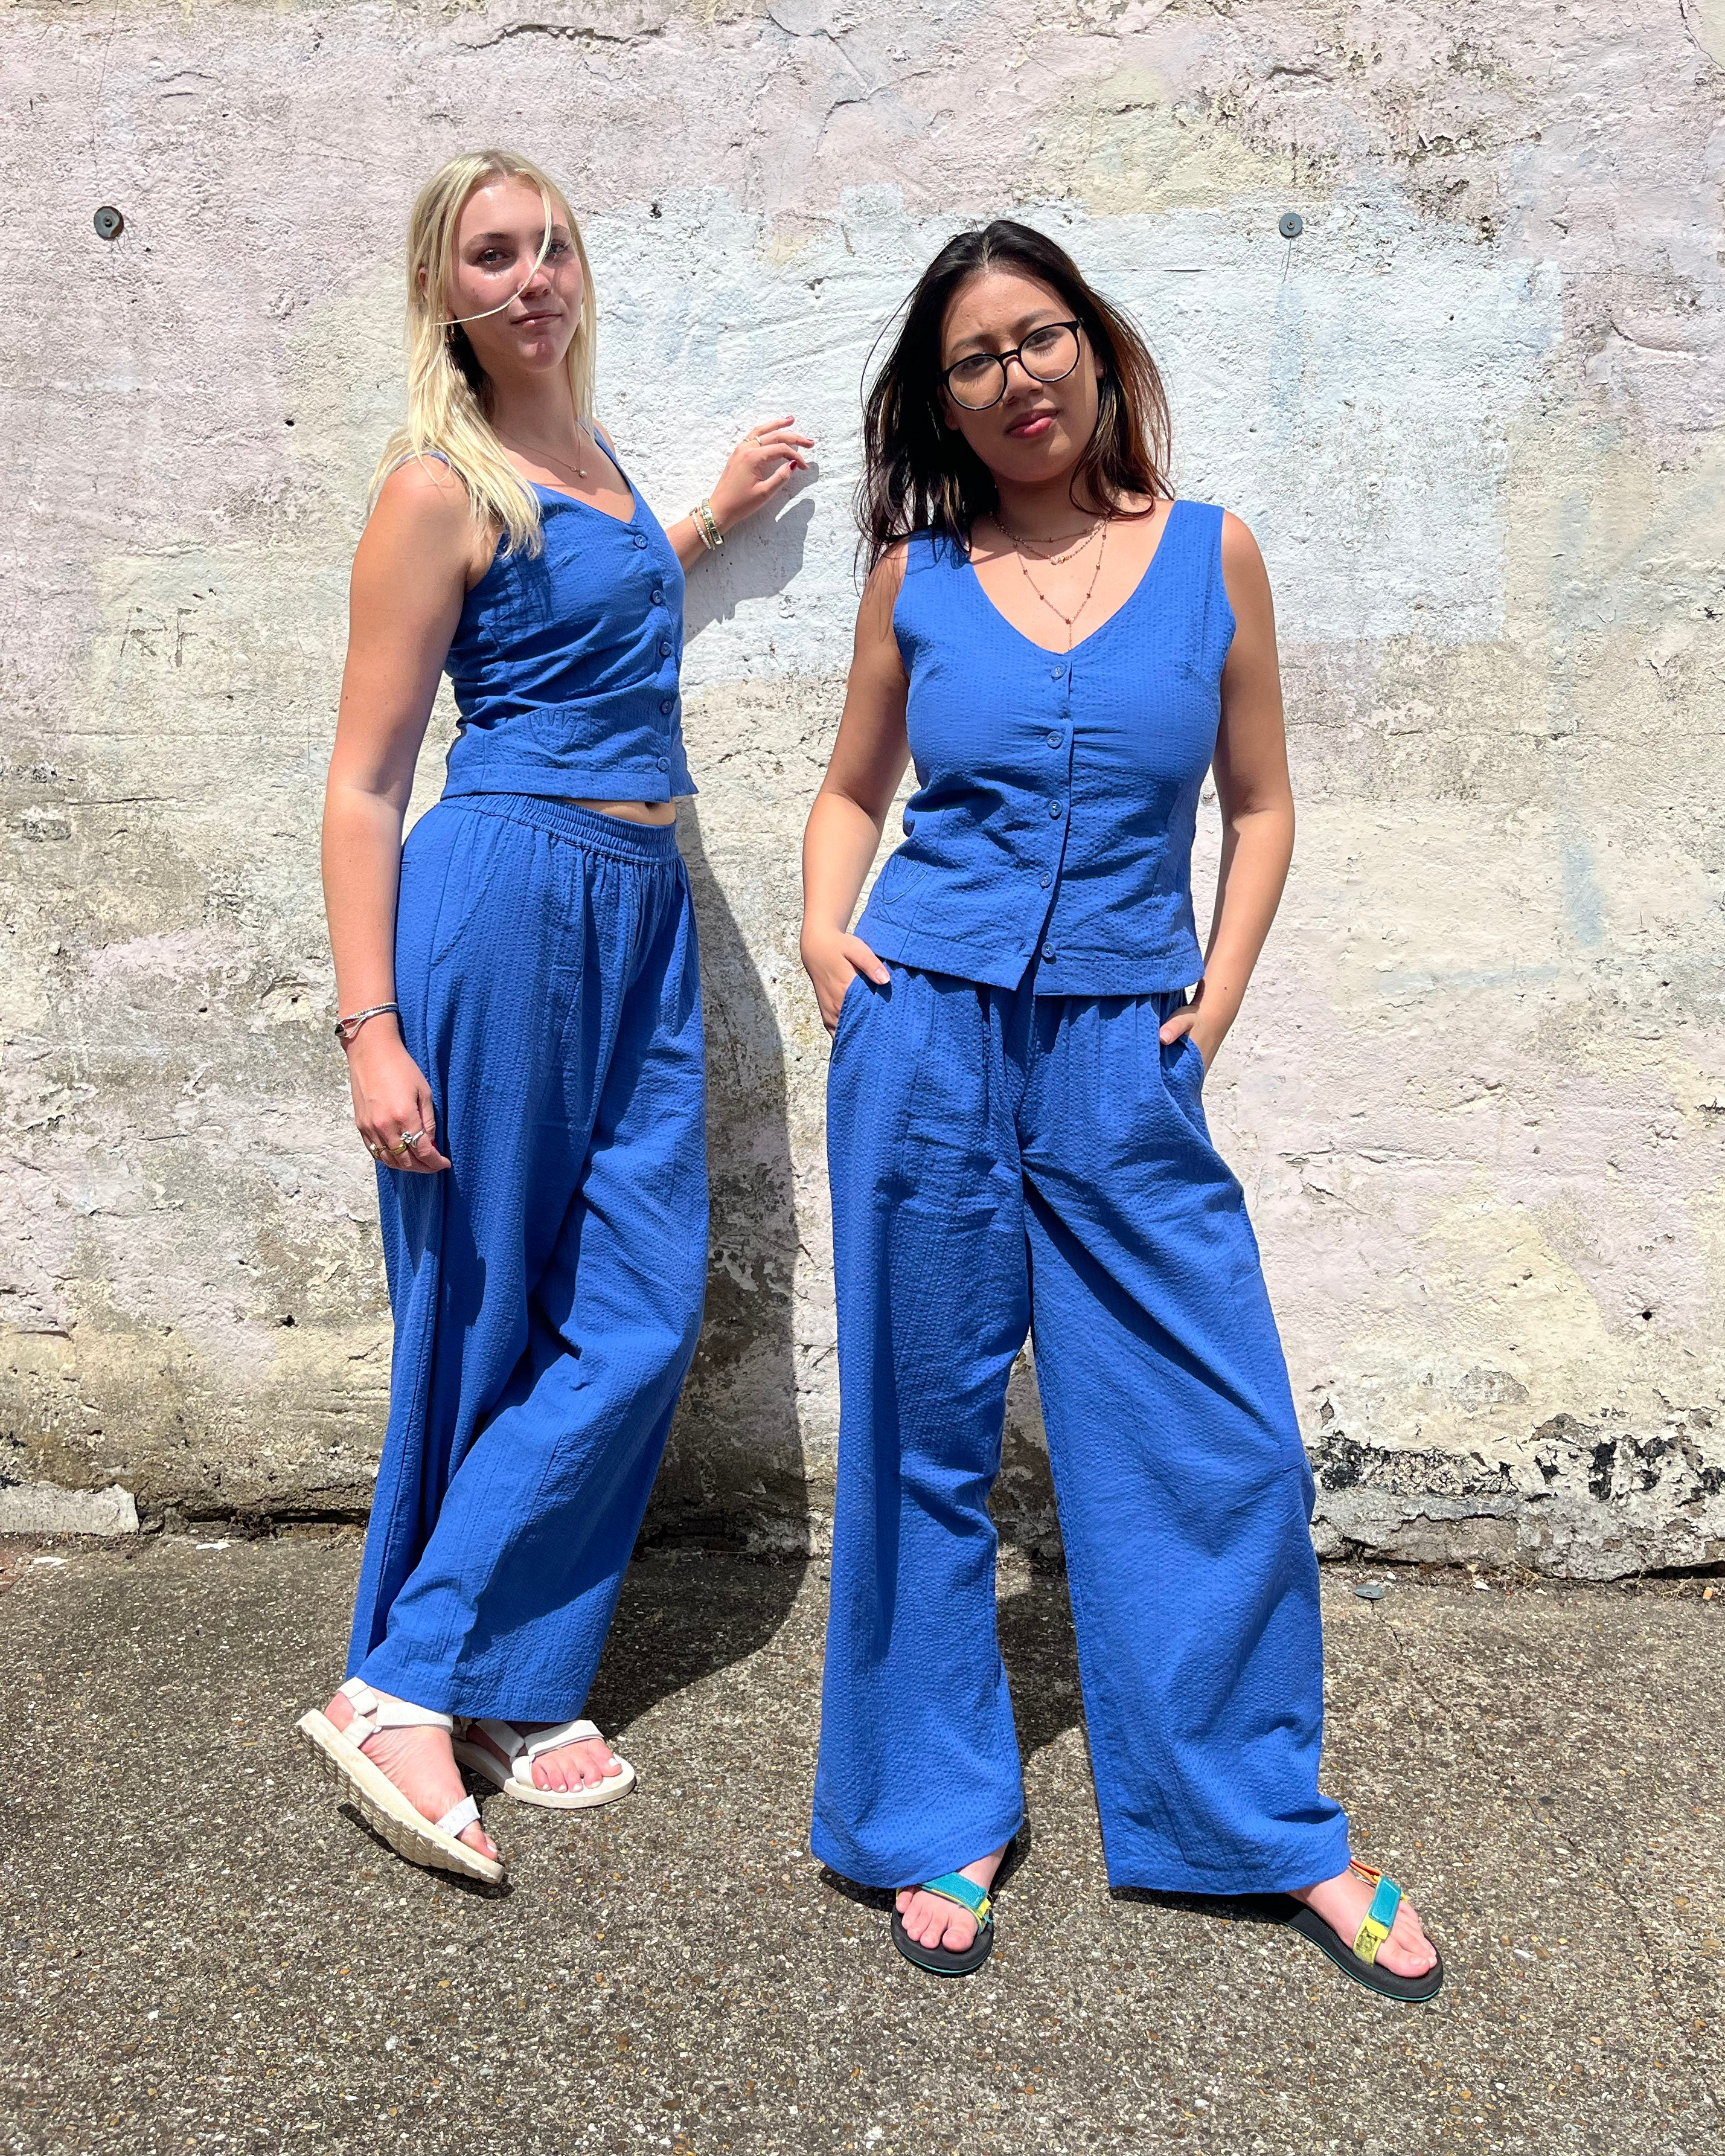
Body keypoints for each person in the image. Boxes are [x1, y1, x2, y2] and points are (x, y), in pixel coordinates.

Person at [798, 219, 1441, 2000]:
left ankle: (1256, 1820)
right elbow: (852, 790)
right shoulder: (914, 573)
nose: (1017, 379)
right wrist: (828, 949)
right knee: (922, 1433)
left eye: (1040, 337)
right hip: (923, 1031)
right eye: (975, 359)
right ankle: (933, 1807)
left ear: (1098, 346)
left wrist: (1212, 1004)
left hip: (1120, 1048)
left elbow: (1266, 801)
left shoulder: (1213, 554)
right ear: (943, 401)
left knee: (1209, 1435)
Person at [298, 150, 811, 1882]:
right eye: (493, 255)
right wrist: (370, 1025)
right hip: (507, 899)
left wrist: (708, 520)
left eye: (554, 248)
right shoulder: (431, 485)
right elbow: (365, 784)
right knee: (491, 1301)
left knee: (639, 1301)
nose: (533, 277)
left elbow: (587, 623)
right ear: (447, 291)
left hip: (643, 915)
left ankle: (484, 1668)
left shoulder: (586, 466)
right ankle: (419, 1684)